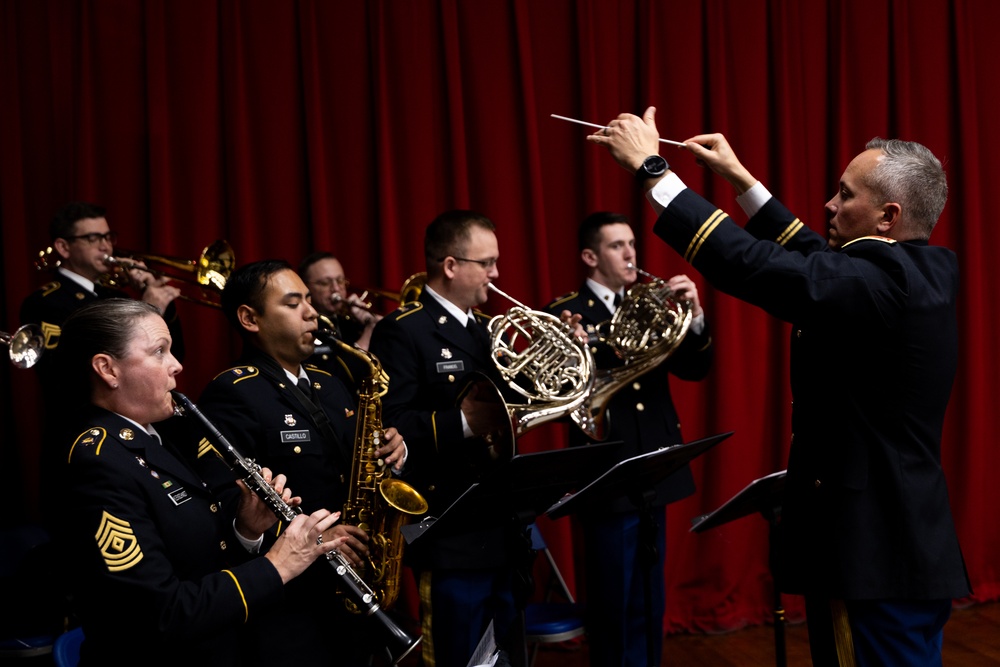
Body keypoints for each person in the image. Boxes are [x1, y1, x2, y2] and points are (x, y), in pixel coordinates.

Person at [589, 107, 971, 666]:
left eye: (845, 195)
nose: (829, 205)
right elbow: (813, 254)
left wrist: (653, 170)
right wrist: (742, 181)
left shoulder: (878, 283)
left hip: (875, 552)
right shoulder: (914, 271)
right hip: (893, 546)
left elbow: (755, 265)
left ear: (887, 217)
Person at [56, 298, 341, 665]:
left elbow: (200, 560)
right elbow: (164, 613)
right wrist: (279, 565)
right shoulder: (97, 463)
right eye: (160, 352)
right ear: (107, 369)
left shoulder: (156, 437)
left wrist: (247, 530)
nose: (177, 365)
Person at [197, 259, 408, 666]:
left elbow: (357, 471)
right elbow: (227, 504)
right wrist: (313, 542)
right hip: (293, 609)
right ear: (249, 318)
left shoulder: (331, 383)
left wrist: (392, 456)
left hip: (358, 585)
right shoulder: (232, 393)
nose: (313, 312)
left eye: (310, 301)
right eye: (294, 304)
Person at [544, 211, 713, 666]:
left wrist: (694, 316)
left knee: (648, 598)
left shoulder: (652, 304)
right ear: (589, 256)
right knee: (612, 602)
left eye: (632, 244)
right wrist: (573, 348)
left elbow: (695, 369)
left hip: (655, 466)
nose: (630, 253)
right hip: (606, 473)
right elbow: (555, 395)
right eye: (617, 245)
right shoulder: (566, 313)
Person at [368, 210, 520, 667]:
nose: (496, 274)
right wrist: (471, 422)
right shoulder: (403, 329)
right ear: (451, 265)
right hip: (449, 527)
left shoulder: (486, 329)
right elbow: (390, 424)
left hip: (502, 521)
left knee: (503, 653)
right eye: (487, 262)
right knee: (458, 653)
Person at [20, 201, 185, 523]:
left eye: (108, 236)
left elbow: (174, 354)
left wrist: (154, 300)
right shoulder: (46, 302)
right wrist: (147, 307)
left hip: (136, 431)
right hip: (84, 433)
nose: (106, 246)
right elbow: (64, 374)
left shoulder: (118, 296)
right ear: (64, 247)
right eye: (94, 238)